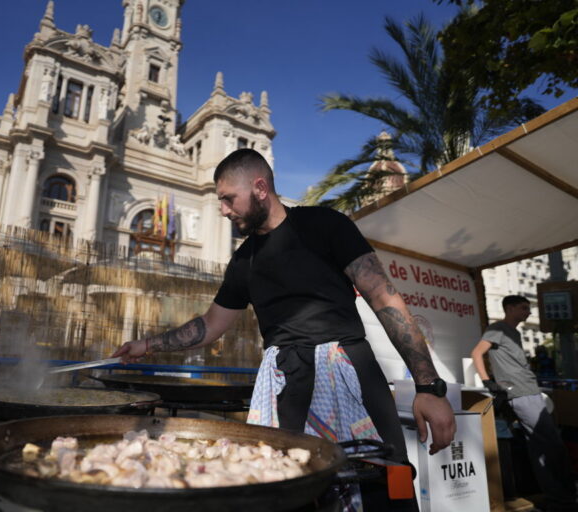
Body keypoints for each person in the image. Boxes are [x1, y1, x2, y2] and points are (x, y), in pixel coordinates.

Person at [113, 148, 456, 511]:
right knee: (294, 494)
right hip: (284, 386)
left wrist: (428, 387)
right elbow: (211, 325)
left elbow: (385, 300)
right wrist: (147, 345)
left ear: (260, 187)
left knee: (384, 488)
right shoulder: (244, 259)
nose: (224, 210)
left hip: (352, 374)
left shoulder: (325, 225)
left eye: (229, 199)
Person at [471, 295, 577, 511]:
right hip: (521, 393)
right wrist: (487, 382)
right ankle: (560, 499)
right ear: (509, 308)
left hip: (528, 390)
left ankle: (559, 496)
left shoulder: (515, 332)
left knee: (545, 446)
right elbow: (477, 353)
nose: (528, 312)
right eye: (523, 308)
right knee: (550, 446)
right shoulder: (498, 328)